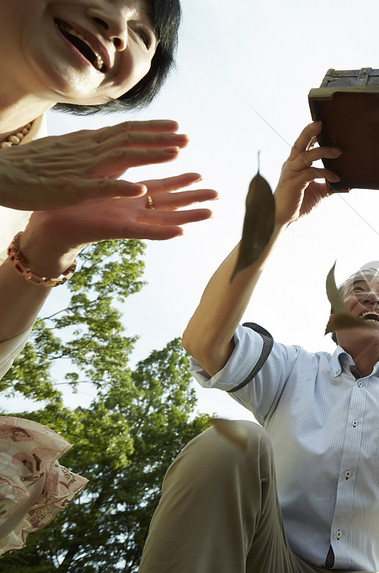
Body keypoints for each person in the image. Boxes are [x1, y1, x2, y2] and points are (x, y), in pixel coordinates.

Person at [138, 117, 379, 573]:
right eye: (357, 289)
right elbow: (204, 341)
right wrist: (276, 217)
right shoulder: (289, 371)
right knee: (230, 443)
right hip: (276, 562)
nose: (374, 295)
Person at [0, 0, 217, 554]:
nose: (119, 27)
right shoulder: (27, 173)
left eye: (144, 34)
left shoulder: (49, 175)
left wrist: (46, 246)